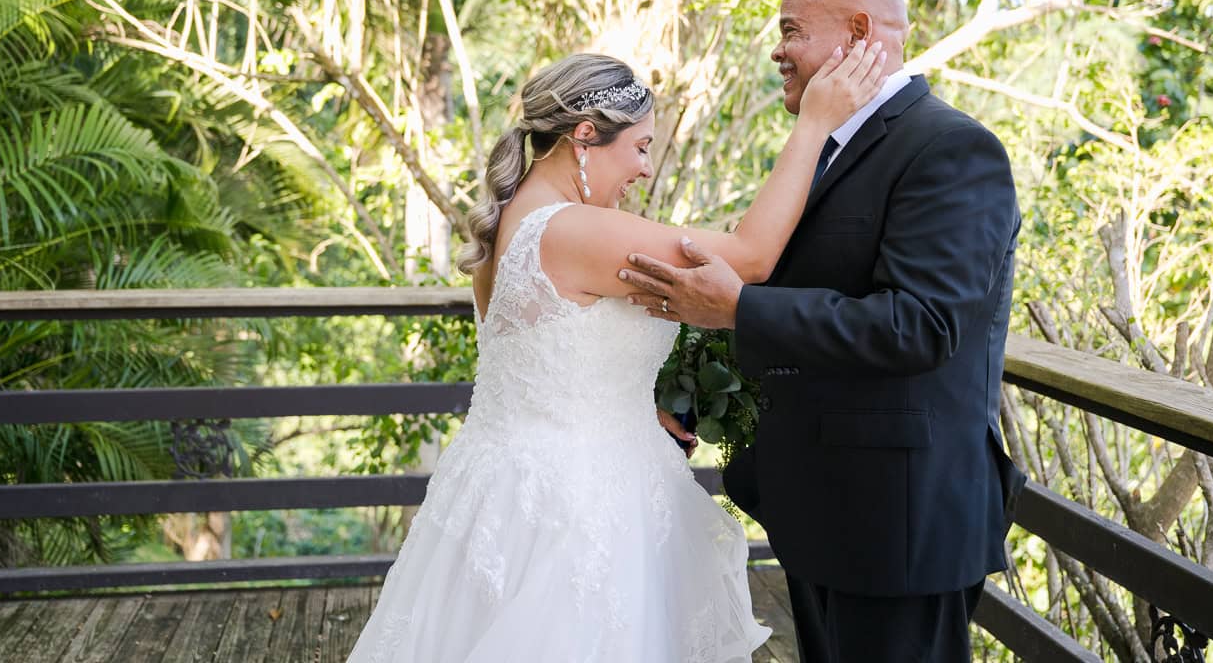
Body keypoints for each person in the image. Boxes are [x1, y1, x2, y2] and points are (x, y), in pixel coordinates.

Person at [347, 40, 887, 662]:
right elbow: (751, 259)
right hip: (577, 507)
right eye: (639, 147)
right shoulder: (573, 229)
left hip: (501, 489)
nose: (644, 169)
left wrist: (630, 403)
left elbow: (549, 360)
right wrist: (815, 123)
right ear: (583, 137)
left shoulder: (512, 222)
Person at [621, 0, 1026, 663]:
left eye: (791, 33)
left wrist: (742, 309)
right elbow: (800, 286)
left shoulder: (949, 148)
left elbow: (921, 325)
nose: (778, 51)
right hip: (823, 511)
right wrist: (687, 391)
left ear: (859, 33)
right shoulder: (828, 146)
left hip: (899, 524)